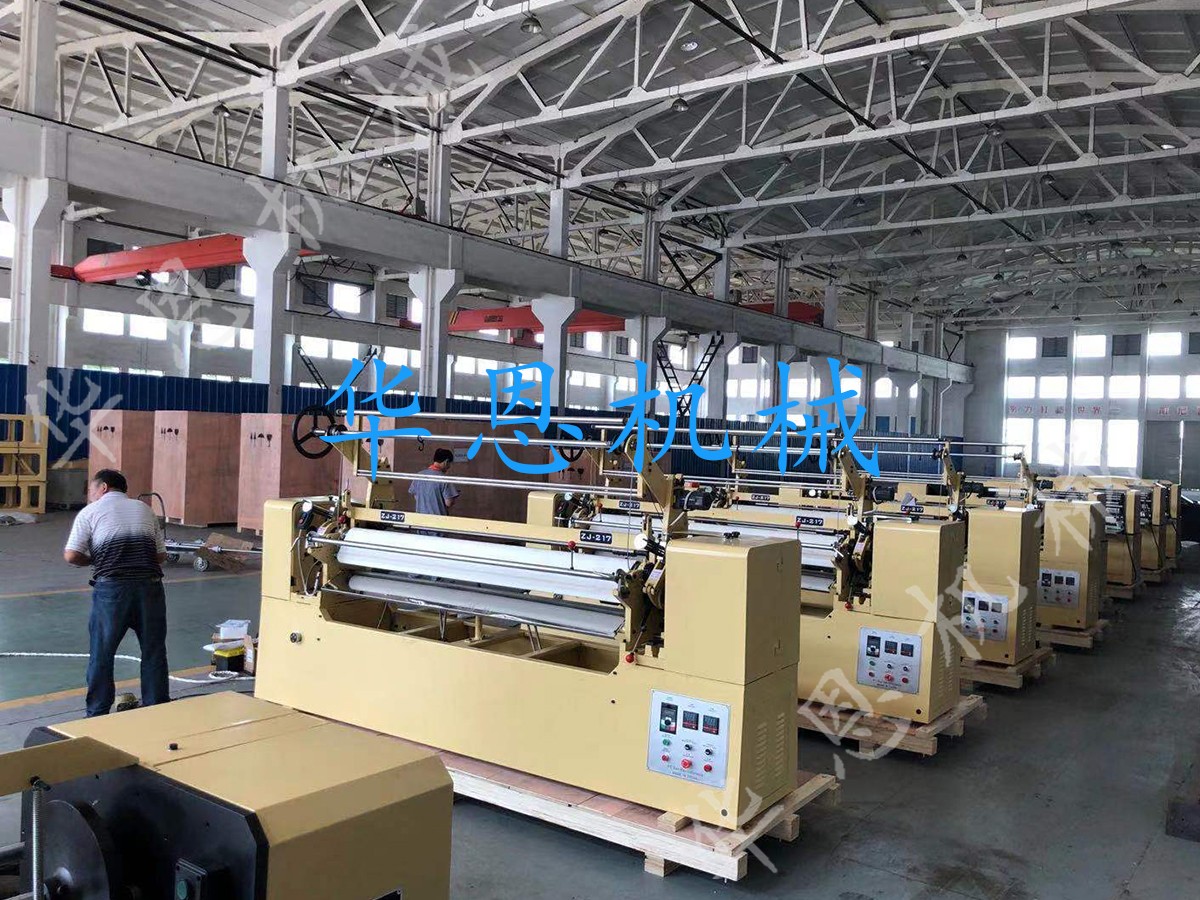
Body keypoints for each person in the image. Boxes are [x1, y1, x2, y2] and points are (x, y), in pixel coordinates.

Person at [63, 468, 170, 717]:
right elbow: (160, 556)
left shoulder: (90, 512)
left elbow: (71, 555)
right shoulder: (145, 510)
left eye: (91, 490)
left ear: (103, 487)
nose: (90, 495)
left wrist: (96, 559)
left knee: (102, 652)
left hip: (112, 591)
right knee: (154, 650)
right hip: (150, 588)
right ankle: (157, 708)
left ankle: (98, 712)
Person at [409, 448, 460, 516]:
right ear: (446, 462)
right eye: (449, 464)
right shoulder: (444, 479)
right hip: (438, 519)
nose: (449, 467)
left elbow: (416, 496)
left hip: (420, 518)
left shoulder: (419, 475)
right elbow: (448, 503)